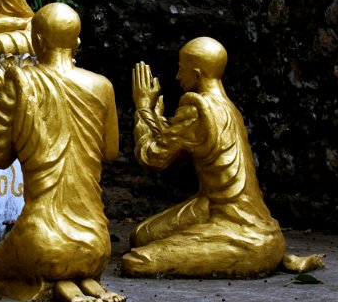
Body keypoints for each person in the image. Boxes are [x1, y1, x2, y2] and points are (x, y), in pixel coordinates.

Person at [122, 37, 323, 277]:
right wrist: (154, 115)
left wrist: (143, 107)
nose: (177, 77)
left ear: (196, 75)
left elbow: (153, 157)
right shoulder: (228, 107)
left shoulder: (197, 108)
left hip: (242, 229)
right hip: (215, 206)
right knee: (141, 236)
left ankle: (259, 256)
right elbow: (175, 139)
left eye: (180, 70)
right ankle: (269, 253)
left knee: (136, 262)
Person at [0, 3, 126, 302]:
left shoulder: (21, 82)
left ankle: (60, 284)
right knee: (78, 259)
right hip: (96, 245)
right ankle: (85, 281)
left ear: (37, 41)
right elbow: (110, 151)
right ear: (78, 42)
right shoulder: (102, 86)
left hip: (43, 243)